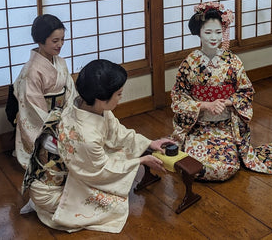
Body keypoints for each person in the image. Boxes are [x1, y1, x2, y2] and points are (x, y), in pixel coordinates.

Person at [22, 59, 173, 233]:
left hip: (74, 167)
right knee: (107, 205)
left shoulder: (82, 104)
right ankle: (56, 206)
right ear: (101, 99)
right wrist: (140, 161)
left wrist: (150, 143)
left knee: (120, 151)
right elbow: (101, 172)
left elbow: (117, 133)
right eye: (119, 94)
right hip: (51, 192)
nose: (121, 97)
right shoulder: (85, 135)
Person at [170, 1, 272, 181]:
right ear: (199, 33)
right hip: (198, 125)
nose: (213, 37)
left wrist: (225, 102)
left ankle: (231, 150)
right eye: (208, 32)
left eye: (218, 32)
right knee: (197, 167)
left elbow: (246, 91)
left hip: (226, 124)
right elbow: (179, 97)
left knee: (225, 168)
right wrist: (206, 105)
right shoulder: (189, 63)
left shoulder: (233, 61)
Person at [13, 14, 76, 170]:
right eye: (55, 41)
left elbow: (70, 92)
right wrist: (48, 130)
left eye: (62, 39)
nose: (60, 44)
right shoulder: (32, 71)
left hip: (62, 116)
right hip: (42, 122)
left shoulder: (60, 62)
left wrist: (67, 116)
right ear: (40, 40)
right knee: (55, 156)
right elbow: (32, 107)